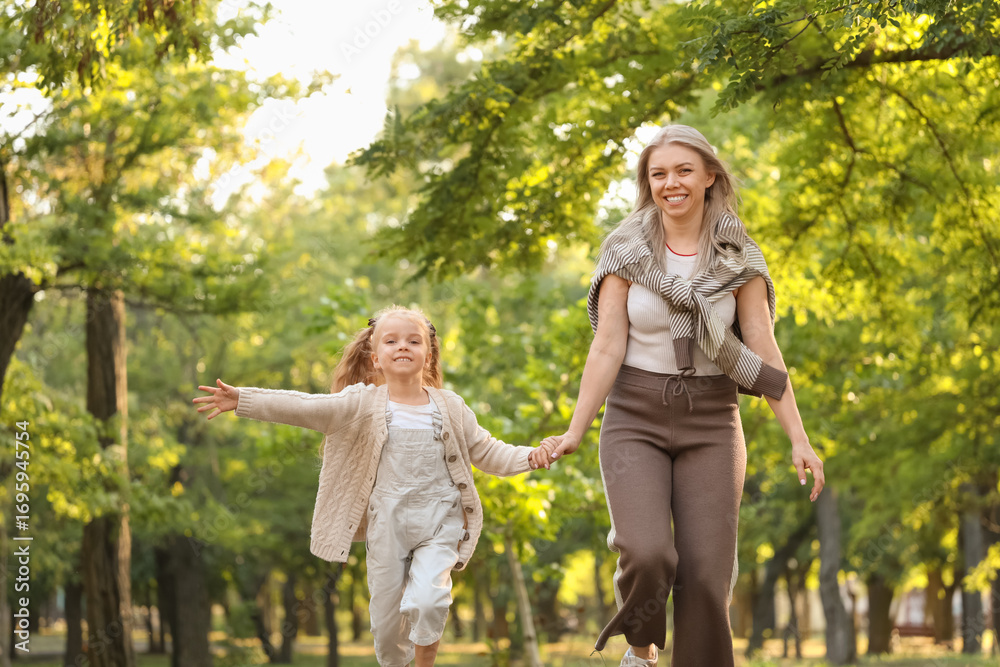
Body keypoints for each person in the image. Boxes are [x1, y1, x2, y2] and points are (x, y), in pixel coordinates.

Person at [540, 125, 826, 667]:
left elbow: (762, 345)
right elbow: (606, 346)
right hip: (634, 415)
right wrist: (575, 429)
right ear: (648, 184)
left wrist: (799, 438)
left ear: (710, 176)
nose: (671, 183)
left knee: (705, 576)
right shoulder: (625, 249)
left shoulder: (738, 253)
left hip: (713, 419)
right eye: (658, 174)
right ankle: (641, 652)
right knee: (647, 551)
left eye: (683, 170)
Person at [193, 305, 553, 667]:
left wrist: (532, 456)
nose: (403, 347)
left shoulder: (451, 407)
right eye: (392, 341)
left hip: (440, 521)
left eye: (414, 341)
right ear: (375, 357)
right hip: (387, 524)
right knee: (386, 626)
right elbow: (302, 406)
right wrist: (243, 399)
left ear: (428, 355)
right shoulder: (361, 404)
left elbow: (489, 451)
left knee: (429, 600)